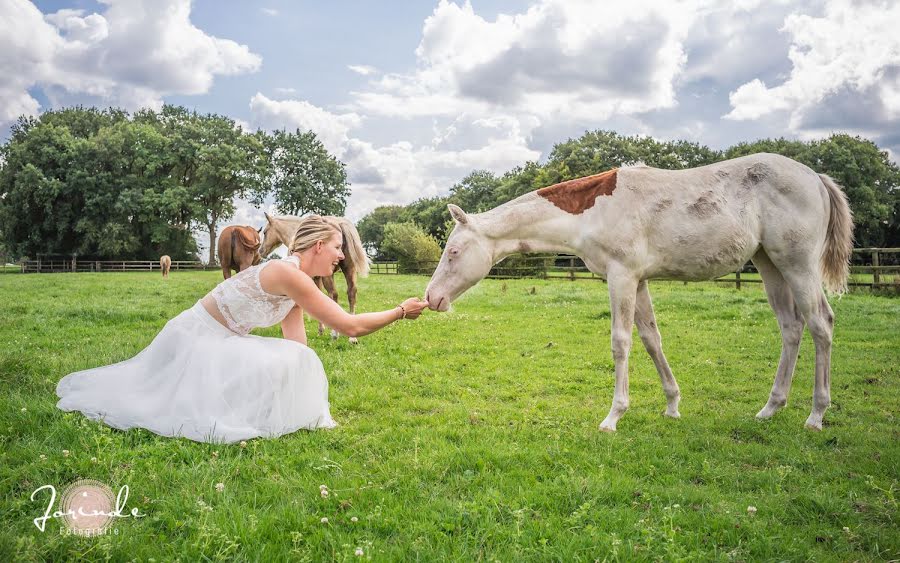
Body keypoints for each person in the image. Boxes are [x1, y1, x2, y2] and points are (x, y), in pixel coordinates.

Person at [57, 215, 428, 443]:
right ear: (318, 246)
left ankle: (272, 413)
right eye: (336, 248)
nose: (341, 256)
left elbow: (296, 343)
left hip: (222, 339)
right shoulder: (287, 272)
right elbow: (348, 325)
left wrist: (303, 373)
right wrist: (399, 310)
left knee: (301, 358)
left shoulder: (295, 278)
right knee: (162, 401)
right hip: (194, 339)